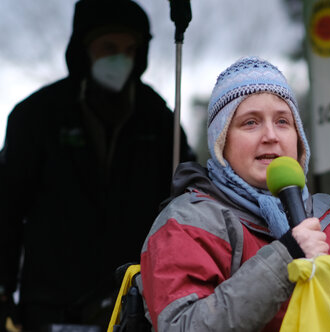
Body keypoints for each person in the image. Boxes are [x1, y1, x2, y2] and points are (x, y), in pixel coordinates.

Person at [0, 0, 196, 329]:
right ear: (84, 50)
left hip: (135, 303)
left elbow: (189, 199)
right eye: (108, 47)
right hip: (50, 307)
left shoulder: (159, 119)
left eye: (130, 48)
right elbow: (5, 208)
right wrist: (3, 292)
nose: (120, 58)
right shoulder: (37, 116)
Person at [139, 56, 330, 331]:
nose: (271, 135)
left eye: (283, 121)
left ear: (299, 138)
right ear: (221, 141)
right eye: (250, 123)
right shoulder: (187, 225)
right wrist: (286, 257)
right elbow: (181, 326)